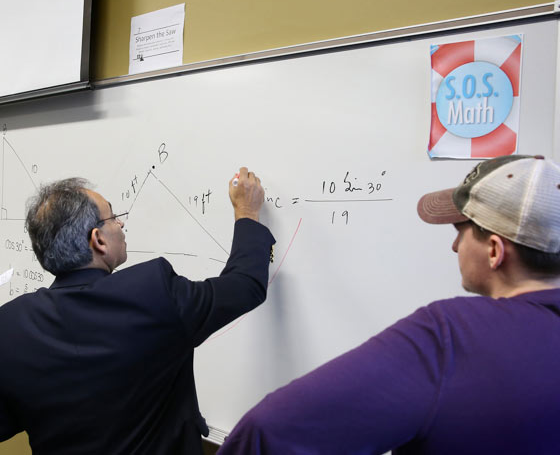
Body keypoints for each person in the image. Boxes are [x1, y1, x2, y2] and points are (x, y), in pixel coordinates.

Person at [218, 155, 560, 455]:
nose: (455, 245)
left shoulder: (451, 337)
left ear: (495, 250)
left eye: (462, 230)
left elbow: (270, 431)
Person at [0, 167, 275, 454]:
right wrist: (246, 212)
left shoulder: (9, 325)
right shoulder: (152, 294)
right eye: (112, 217)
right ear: (99, 240)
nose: (120, 223)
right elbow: (244, 286)